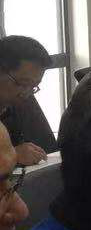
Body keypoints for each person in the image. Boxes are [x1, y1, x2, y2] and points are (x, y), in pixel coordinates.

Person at [0, 35, 53, 166]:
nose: (27, 93)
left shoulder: (23, 100)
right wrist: (12, 155)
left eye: (34, 86)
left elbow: (49, 150)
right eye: (22, 84)